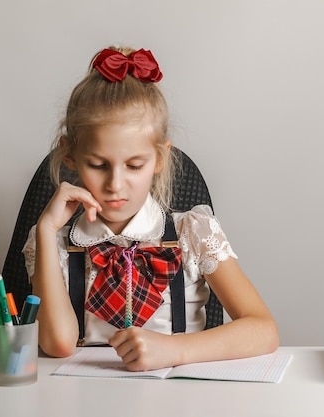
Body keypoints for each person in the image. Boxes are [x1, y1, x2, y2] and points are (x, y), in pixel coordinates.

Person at [22, 45, 279, 371]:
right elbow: (58, 344)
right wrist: (45, 230)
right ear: (70, 156)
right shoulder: (54, 242)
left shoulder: (193, 232)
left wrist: (174, 350)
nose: (115, 184)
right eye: (98, 165)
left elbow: (263, 329)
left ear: (159, 158)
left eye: (134, 165)